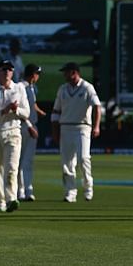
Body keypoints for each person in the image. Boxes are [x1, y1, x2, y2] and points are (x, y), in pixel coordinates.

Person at [0, 60, 30, 212]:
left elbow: (26, 112)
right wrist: (2, 111)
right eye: (4, 69)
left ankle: (11, 199)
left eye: (10, 70)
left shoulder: (19, 88)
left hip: (13, 131)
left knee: (11, 168)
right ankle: (1, 201)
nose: (7, 72)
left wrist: (15, 110)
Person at [51, 62, 101, 203]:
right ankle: (70, 192)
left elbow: (97, 106)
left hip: (82, 127)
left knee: (83, 158)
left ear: (74, 72)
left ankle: (88, 188)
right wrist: (55, 131)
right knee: (67, 163)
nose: (64, 75)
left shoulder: (87, 87)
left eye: (66, 72)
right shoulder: (62, 89)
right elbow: (56, 112)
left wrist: (96, 126)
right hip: (65, 127)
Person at [18, 64, 46, 201]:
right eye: (38, 74)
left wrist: (39, 111)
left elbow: (32, 104)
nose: (38, 77)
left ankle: (28, 190)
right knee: (19, 160)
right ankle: (20, 190)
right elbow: (18, 108)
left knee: (28, 161)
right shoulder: (20, 87)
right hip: (23, 126)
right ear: (33, 74)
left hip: (32, 126)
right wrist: (28, 124)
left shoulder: (31, 88)